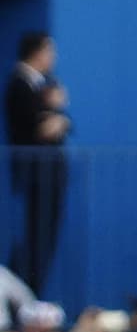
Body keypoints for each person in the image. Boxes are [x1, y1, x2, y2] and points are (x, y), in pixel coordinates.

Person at [5, 32, 70, 294]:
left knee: (46, 239)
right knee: (34, 238)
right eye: (49, 51)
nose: (53, 57)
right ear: (36, 52)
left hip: (50, 174)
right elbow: (39, 129)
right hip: (35, 174)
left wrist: (58, 117)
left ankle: (32, 293)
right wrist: (53, 111)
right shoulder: (19, 84)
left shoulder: (46, 83)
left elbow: (64, 124)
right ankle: (23, 294)